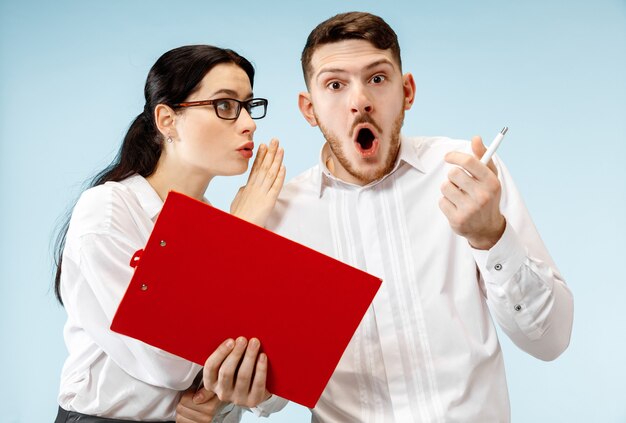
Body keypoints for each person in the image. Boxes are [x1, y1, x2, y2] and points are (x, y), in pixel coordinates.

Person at [265, 12, 574, 422]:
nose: (360, 100)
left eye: (377, 78)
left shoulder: (469, 176)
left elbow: (550, 340)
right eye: (335, 85)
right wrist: (249, 389)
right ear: (309, 108)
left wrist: (492, 237)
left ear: (407, 91)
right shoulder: (281, 215)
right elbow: (270, 396)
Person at [53, 45, 288, 422]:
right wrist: (238, 234)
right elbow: (165, 361)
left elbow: (277, 377)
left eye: (248, 105)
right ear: (167, 119)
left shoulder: (227, 222)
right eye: (225, 105)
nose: (249, 123)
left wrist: (239, 391)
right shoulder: (111, 210)